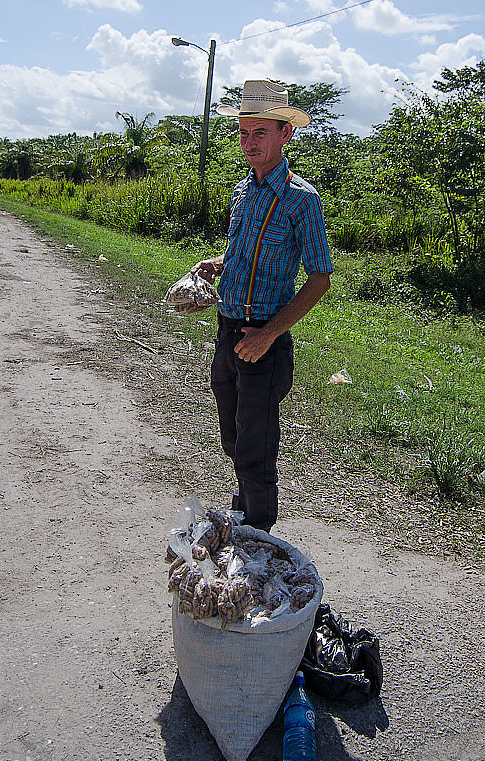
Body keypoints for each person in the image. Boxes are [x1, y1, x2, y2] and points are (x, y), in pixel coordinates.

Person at [193, 79, 333, 532]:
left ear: (285, 135)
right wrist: (216, 264)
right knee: (233, 434)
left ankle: (257, 537)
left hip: (263, 341)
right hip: (228, 330)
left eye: (260, 133)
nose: (249, 143)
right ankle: (243, 505)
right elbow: (243, 254)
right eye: (244, 133)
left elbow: (319, 279)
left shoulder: (301, 200)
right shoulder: (242, 193)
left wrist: (269, 333)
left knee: (256, 442)